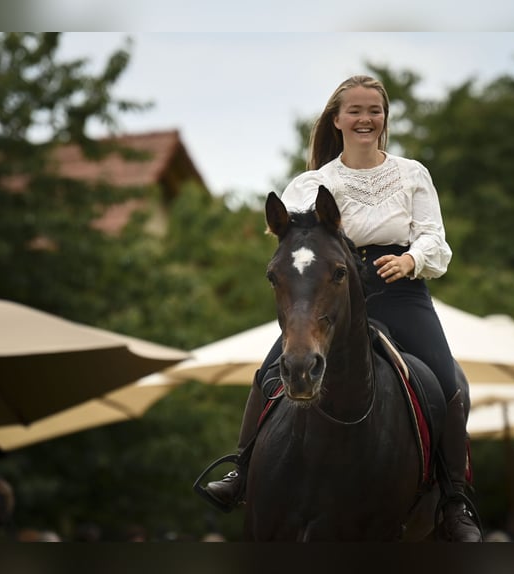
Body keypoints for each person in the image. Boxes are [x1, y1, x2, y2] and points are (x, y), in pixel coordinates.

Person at [204, 75, 481, 541]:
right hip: (329, 294)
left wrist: (412, 258)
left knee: (447, 381)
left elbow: (436, 237)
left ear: (384, 118)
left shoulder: (413, 173)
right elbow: (292, 238)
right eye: (354, 110)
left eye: (374, 110)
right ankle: (242, 470)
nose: (365, 119)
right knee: (271, 370)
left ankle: (456, 501)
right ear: (337, 119)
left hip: (401, 292)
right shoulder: (313, 182)